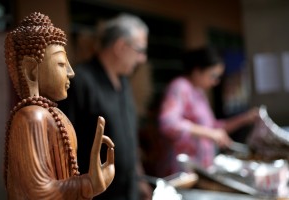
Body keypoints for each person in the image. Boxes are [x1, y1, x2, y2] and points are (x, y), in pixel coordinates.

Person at [4, 12, 115, 199]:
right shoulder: (32, 117)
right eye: (61, 63)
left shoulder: (51, 113)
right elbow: (36, 192)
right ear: (31, 70)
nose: (71, 72)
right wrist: (88, 184)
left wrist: (92, 180)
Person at [58, 13, 153, 200]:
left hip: (129, 190)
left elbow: (129, 136)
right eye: (140, 50)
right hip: (96, 194)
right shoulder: (80, 81)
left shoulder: (124, 82)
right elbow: (63, 146)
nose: (142, 59)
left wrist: (140, 179)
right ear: (120, 46)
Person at [158, 46, 258, 176]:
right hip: (182, 169)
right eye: (213, 76)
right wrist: (209, 133)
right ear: (197, 71)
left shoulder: (199, 92)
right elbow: (168, 123)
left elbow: (214, 128)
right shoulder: (180, 87)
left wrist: (244, 118)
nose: (215, 82)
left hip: (201, 167)